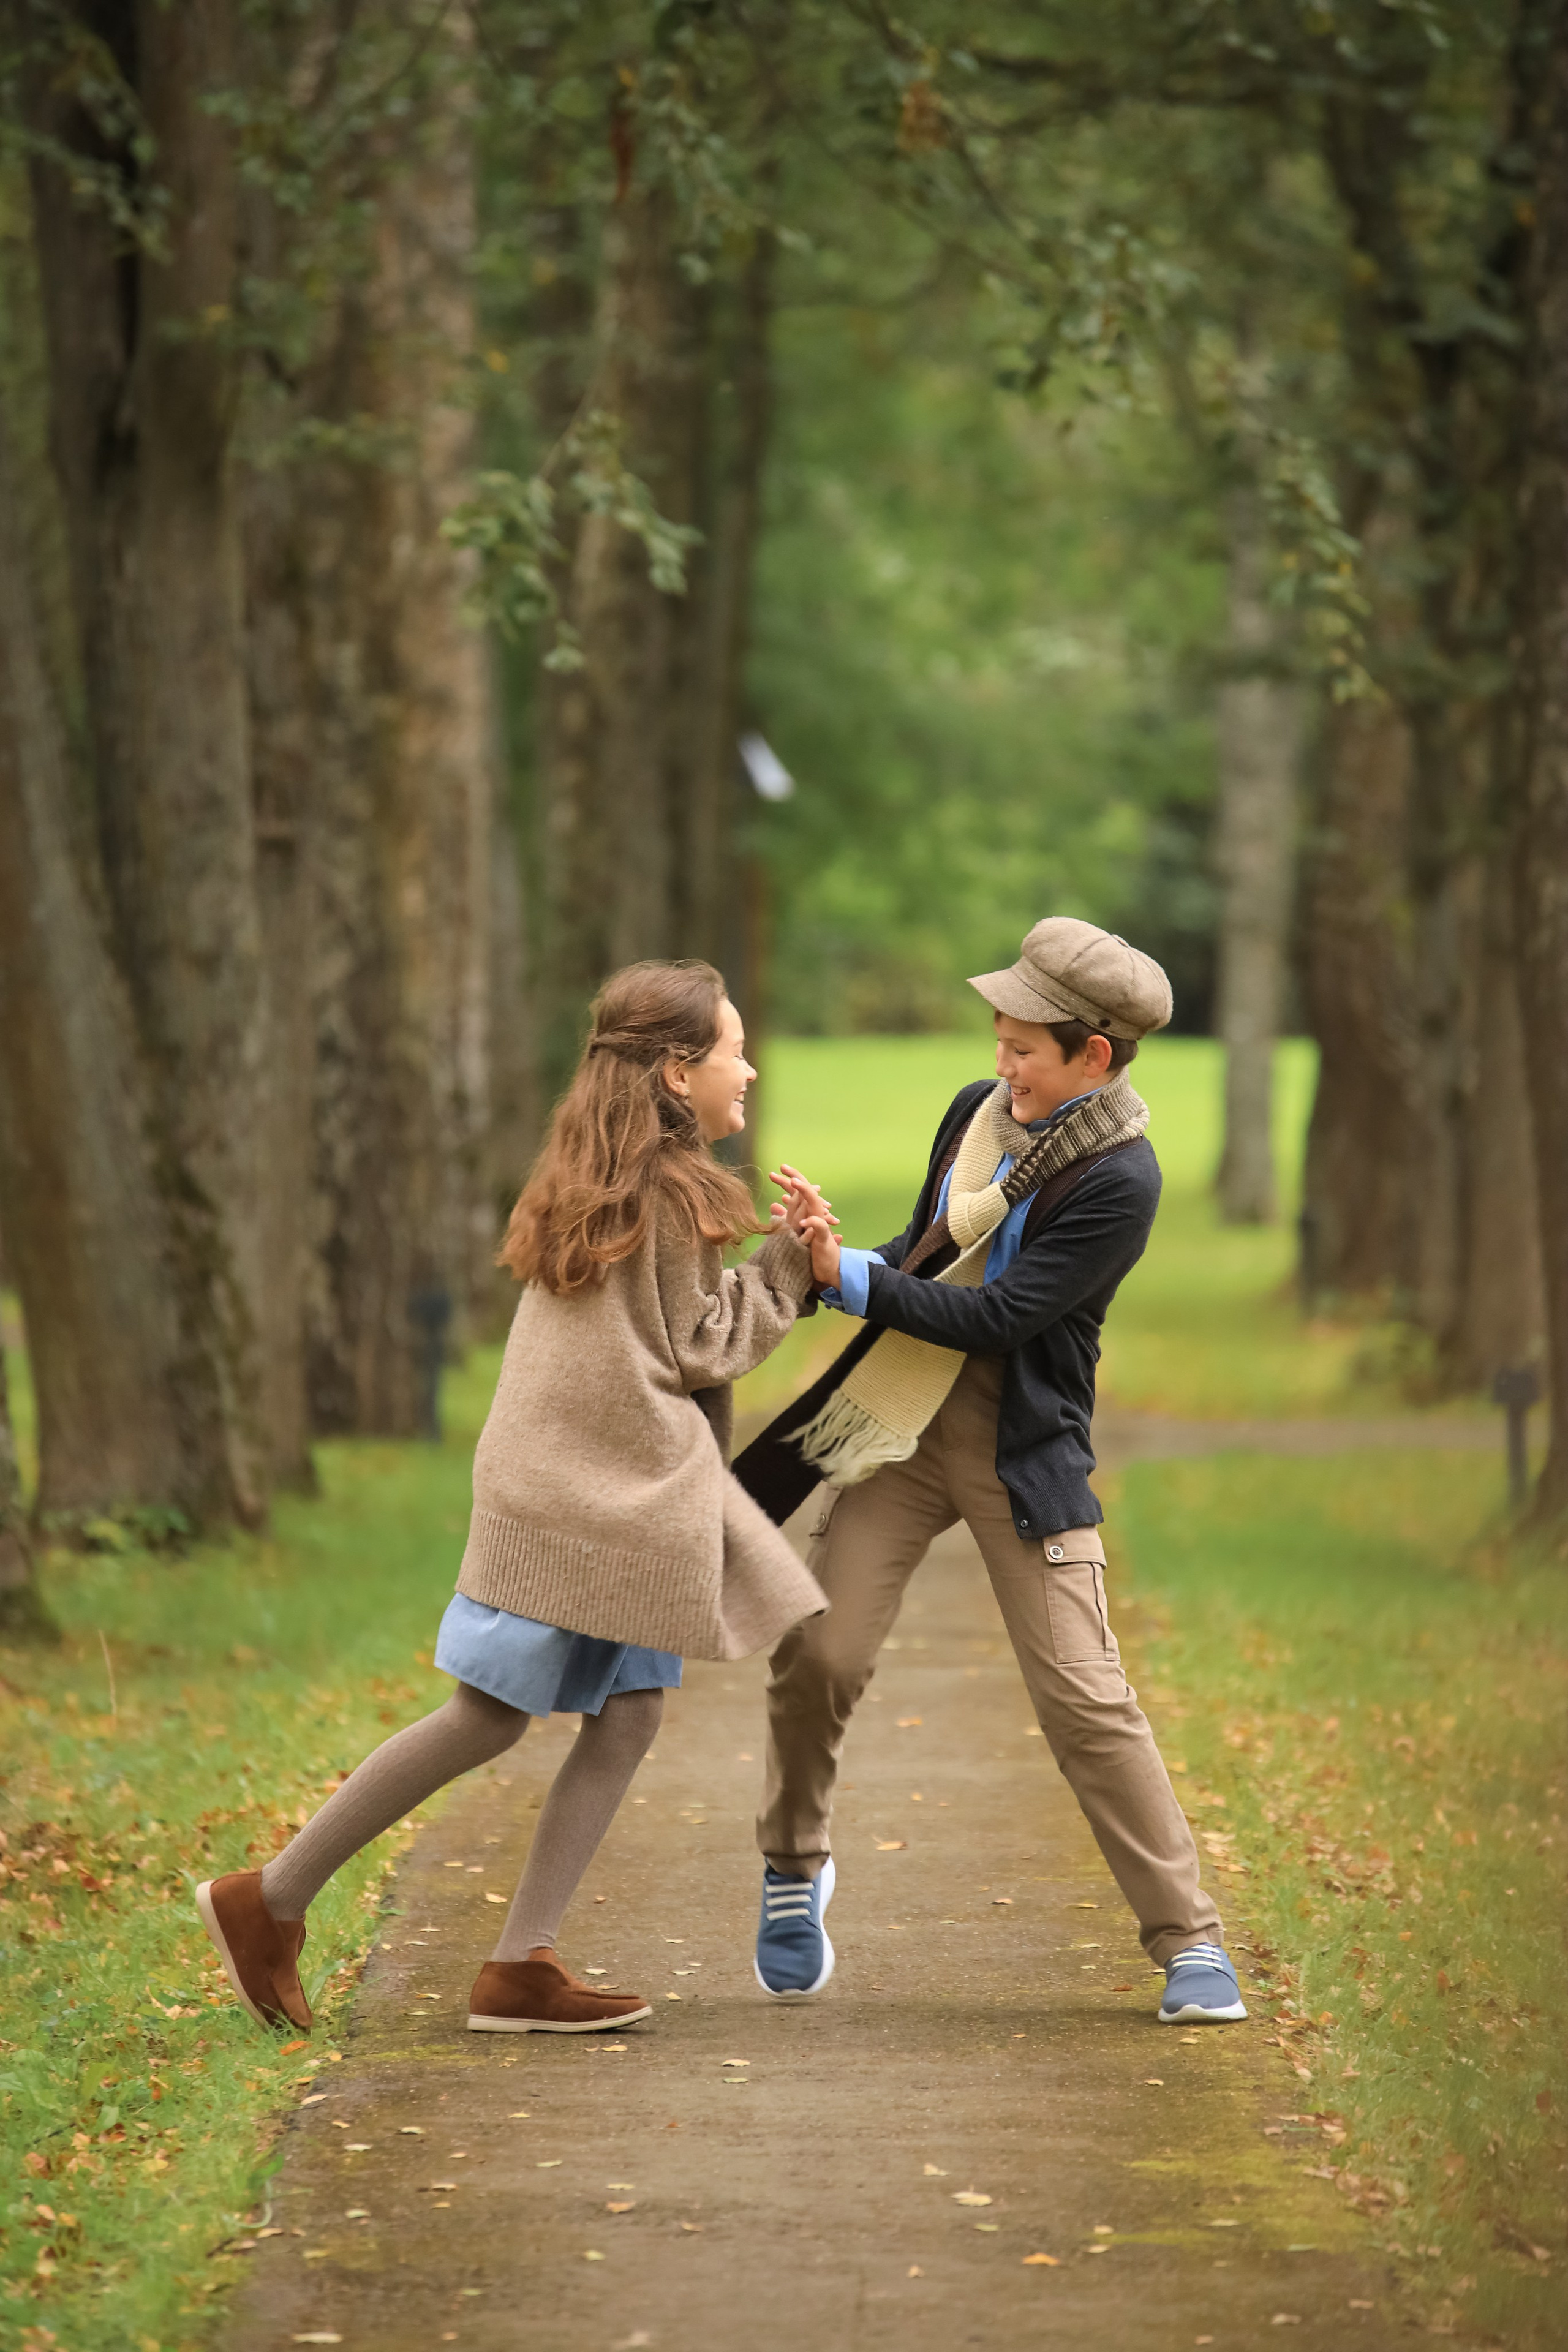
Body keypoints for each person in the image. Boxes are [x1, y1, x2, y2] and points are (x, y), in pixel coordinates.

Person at [198, 960, 829, 2038]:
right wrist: (794, 1268)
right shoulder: (668, 1196)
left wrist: (776, 1264)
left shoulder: (594, 1171)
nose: (749, 1067)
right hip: (590, 1504)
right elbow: (707, 1345)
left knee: (627, 1712)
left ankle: (519, 1965)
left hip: (603, 1491)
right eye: (732, 1050)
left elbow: (662, 1335)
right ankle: (271, 1897)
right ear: (678, 1076)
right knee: (488, 1714)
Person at [745, 918, 1246, 2026]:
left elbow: (1007, 1316)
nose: (1002, 1063)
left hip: (1021, 1445)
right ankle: (793, 1866)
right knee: (818, 1649)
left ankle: (1190, 1944)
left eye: (1026, 1047)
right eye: (1001, 1037)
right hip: (900, 1422)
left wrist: (851, 1282)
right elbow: (931, 1250)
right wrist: (841, 1256)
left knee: (1085, 1697)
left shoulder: (1123, 1179)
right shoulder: (975, 1115)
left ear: (1095, 1057)